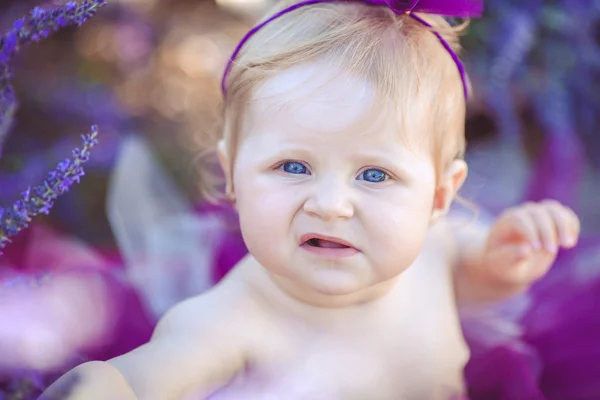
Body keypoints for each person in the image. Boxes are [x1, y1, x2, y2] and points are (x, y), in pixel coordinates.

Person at [41, 0, 581, 399]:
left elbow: (473, 283)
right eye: (292, 167)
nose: (330, 205)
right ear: (233, 177)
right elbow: (145, 378)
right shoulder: (231, 320)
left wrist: (506, 261)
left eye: (374, 175)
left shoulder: (437, 247)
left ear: (440, 196)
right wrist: (106, 388)